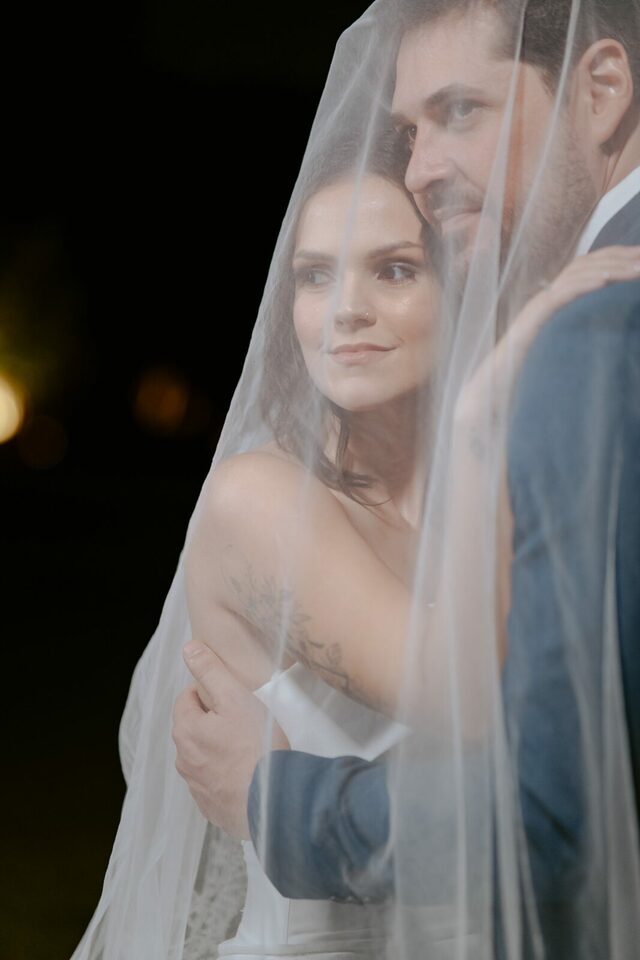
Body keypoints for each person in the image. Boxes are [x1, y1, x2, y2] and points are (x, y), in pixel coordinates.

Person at [74, 0, 640, 958]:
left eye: (392, 270)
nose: (345, 312)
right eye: (313, 275)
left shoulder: (502, 476)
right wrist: (477, 411)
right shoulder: (259, 501)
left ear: (456, 281)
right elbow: (462, 690)